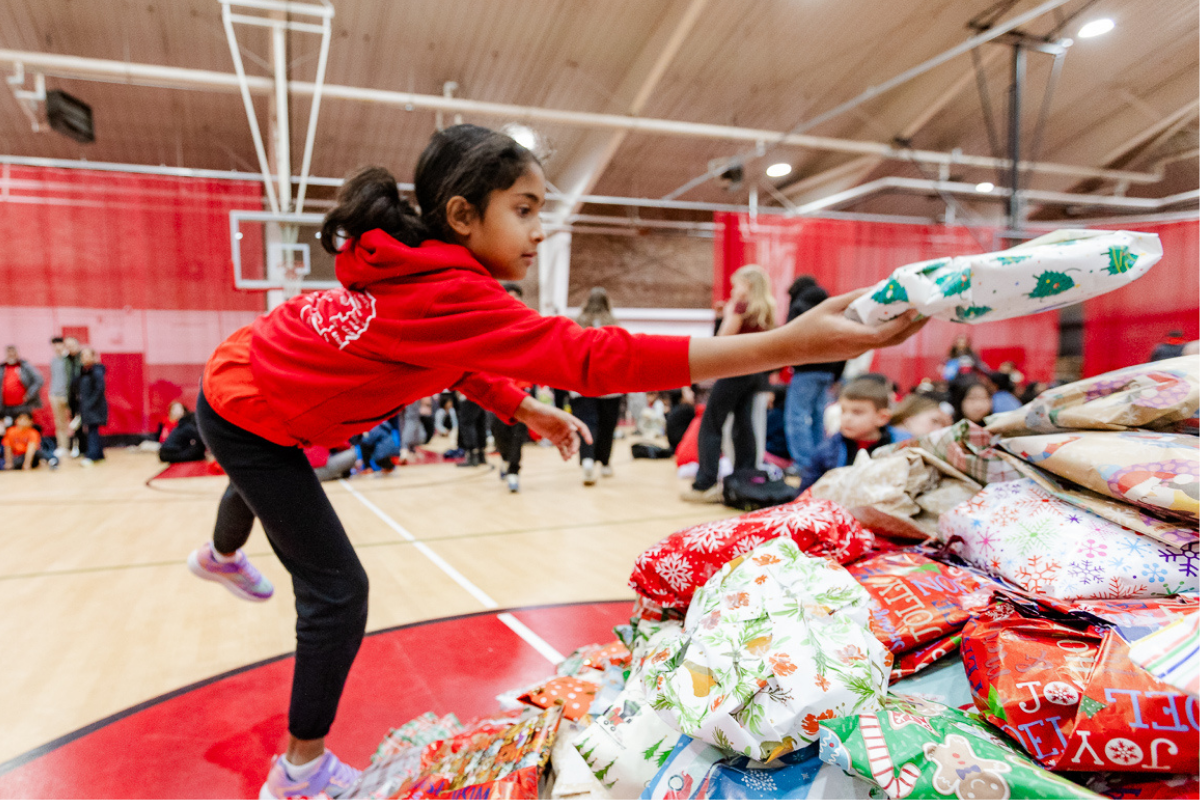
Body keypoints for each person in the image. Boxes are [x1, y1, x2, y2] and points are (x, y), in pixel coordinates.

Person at [183, 123, 926, 799]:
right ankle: (299, 772)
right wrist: (789, 343)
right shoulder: (448, 291)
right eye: (525, 209)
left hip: (250, 377)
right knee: (338, 590)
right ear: (463, 216)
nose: (542, 230)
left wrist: (521, 406)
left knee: (259, 484)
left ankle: (218, 555)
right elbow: (591, 359)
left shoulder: (422, 270)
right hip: (247, 407)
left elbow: (440, 352)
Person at [682, 264, 776, 503]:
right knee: (744, 426)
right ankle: (744, 479)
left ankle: (706, 483)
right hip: (754, 373)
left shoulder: (741, 307)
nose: (734, 289)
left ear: (749, 285)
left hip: (735, 371)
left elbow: (722, 340)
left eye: (737, 284)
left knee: (711, 424)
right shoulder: (764, 312)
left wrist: (724, 316)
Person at [799, 377, 912, 492]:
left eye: (857, 412)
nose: (847, 418)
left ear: (882, 417)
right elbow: (806, 491)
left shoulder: (904, 446)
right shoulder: (826, 450)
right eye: (843, 411)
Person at [782, 276, 845, 470]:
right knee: (818, 417)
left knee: (796, 416)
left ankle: (803, 463)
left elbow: (788, 338)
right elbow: (844, 340)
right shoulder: (831, 307)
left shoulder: (799, 307)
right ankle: (819, 461)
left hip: (805, 369)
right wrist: (836, 373)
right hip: (827, 371)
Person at [572, 287, 624, 485]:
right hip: (609, 386)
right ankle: (604, 462)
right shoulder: (614, 324)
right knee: (607, 425)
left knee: (586, 424)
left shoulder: (577, 323)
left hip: (582, 384)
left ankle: (587, 460)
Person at [73, 347, 108, 465]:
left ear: (93, 357)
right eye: (82, 356)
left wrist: (89, 404)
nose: (84, 358)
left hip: (95, 407)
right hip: (86, 406)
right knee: (92, 429)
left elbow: (99, 389)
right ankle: (98, 454)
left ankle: (92, 455)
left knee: (92, 430)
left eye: (87, 355)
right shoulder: (83, 371)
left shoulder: (96, 371)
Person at [2, 345, 44, 423]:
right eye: (9, 354)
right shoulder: (2, 368)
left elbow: (39, 380)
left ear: (17, 354)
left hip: (22, 405)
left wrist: (30, 394)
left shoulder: (25, 366)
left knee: (23, 426)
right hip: (6, 406)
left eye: (13, 354)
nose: (11, 356)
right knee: (8, 429)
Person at [48, 337, 73, 455]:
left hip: (67, 395)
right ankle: (63, 446)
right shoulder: (53, 360)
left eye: (59, 344)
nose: (57, 347)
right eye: (54, 345)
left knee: (73, 421)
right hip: (55, 395)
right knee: (59, 422)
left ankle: (77, 446)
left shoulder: (69, 359)